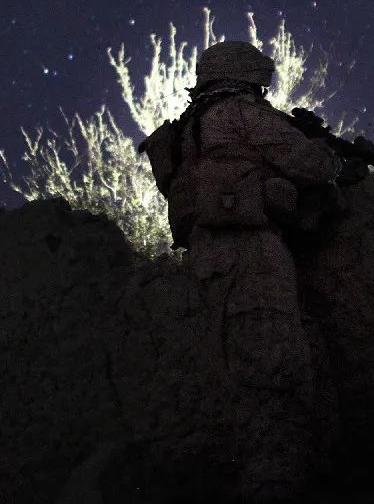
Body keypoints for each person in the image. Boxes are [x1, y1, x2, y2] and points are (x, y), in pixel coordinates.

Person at [138, 41, 341, 501]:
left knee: (251, 379)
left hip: (209, 259)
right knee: (276, 380)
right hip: (248, 253)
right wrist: (332, 154)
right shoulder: (238, 114)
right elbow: (310, 163)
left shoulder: (189, 129)